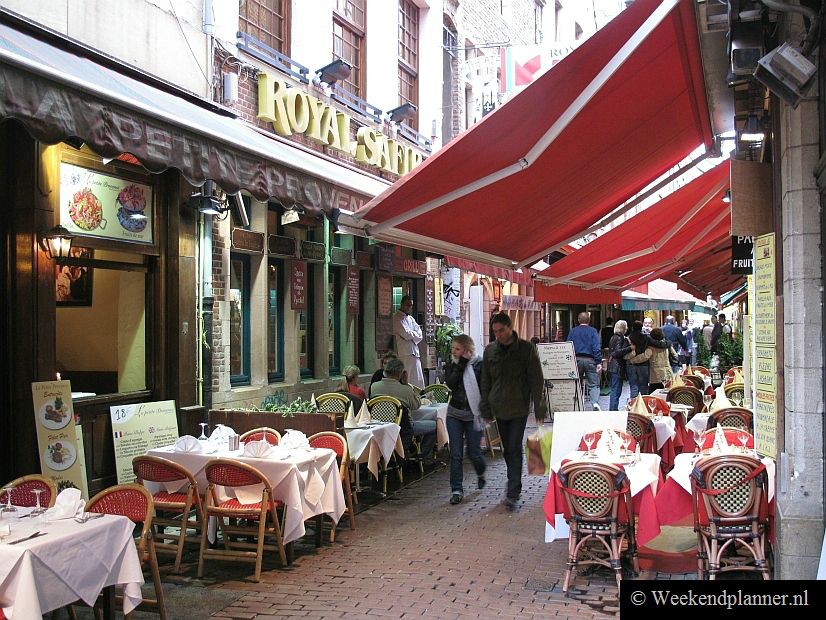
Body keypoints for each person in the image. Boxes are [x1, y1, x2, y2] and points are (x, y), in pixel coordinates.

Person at [480, 312, 546, 509]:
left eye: (501, 330)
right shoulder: (490, 351)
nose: (498, 335)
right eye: (495, 332)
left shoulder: (526, 349)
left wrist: (539, 406)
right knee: (508, 448)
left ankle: (513, 490)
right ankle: (512, 484)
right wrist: (485, 406)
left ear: (510, 327)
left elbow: (536, 379)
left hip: (518, 406)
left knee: (514, 447)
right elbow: (485, 380)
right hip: (498, 406)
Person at [442, 334, 485, 505]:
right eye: (453, 348)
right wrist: (460, 366)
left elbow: (486, 387)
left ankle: (480, 472)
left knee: (473, 452)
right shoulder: (451, 364)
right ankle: (457, 489)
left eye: (457, 349)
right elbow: (451, 384)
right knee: (456, 453)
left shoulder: (479, 364)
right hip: (455, 413)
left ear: (467, 350)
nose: (454, 351)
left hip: (473, 415)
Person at [371, 358, 437, 460]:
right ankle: (421, 455)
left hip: (381, 426)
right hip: (404, 427)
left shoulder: (374, 387)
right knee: (436, 426)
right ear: (401, 374)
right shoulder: (405, 390)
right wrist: (406, 383)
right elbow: (416, 405)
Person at [567, 312, 603, 410]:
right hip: (590, 360)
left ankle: (575, 404)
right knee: (593, 384)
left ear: (578, 320)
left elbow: (568, 347)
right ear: (589, 320)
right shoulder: (593, 331)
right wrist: (598, 362)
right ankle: (595, 403)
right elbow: (596, 347)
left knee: (576, 383)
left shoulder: (573, 331)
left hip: (576, 361)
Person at [624, 321, 668, 397]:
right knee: (643, 387)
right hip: (643, 366)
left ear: (632, 327)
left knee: (634, 387)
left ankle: (633, 405)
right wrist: (667, 344)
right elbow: (655, 345)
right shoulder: (646, 337)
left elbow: (624, 351)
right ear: (641, 327)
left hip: (631, 365)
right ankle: (643, 405)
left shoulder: (628, 338)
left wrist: (629, 360)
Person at [393, 295, 424, 388]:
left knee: (418, 378)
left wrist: (412, 335)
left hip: (415, 352)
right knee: (408, 377)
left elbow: (420, 334)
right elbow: (405, 334)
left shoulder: (410, 318)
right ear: (402, 304)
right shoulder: (396, 318)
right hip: (405, 353)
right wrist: (414, 335)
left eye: (411, 305)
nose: (409, 307)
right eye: (407, 305)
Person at [606, 320, 631, 410]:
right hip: (617, 367)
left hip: (612, 366)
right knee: (616, 391)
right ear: (623, 328)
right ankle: (613, 410)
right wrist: (630, 348)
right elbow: (617, 352)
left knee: (615, 390)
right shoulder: (620, 338)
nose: (627, 328)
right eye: (626, 326)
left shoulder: (613, 337)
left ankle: (613, 409)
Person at [646, 327, 672, 391]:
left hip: (655, 374)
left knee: (653, 392)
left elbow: (644, 357)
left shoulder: (650, 347)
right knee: (666, 391)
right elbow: (675, 355)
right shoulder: (667, 345)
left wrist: (632, 360)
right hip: (667, 372)